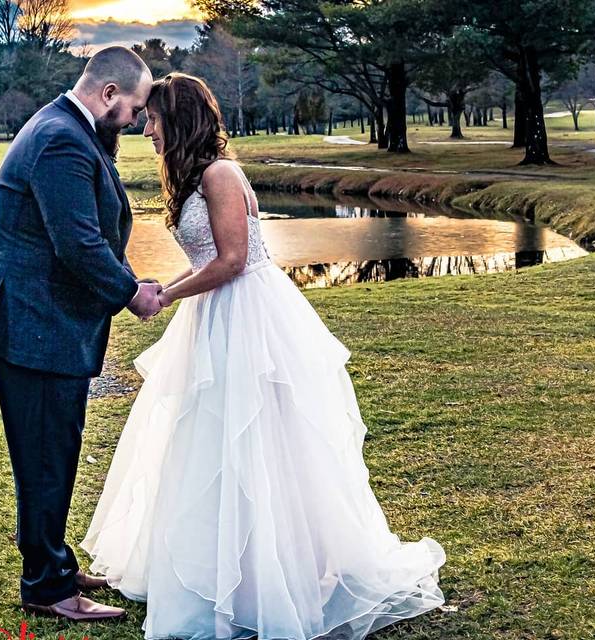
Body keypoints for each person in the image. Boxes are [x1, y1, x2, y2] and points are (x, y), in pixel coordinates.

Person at [80, 72, 447, 639]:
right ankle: (218, 563)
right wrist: (153, 290)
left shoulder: (222, 174)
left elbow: (231, 260)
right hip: (214, 316)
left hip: (247, 315)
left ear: (177, 122)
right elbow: (208, 257)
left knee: (254, 438)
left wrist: (168, 296)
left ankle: (267, 576)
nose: (145, 130)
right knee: (207, 437)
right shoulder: (196, 176)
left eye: (152, 120)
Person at [0, 46, 165, 622]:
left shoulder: (68, 129)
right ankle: (49, 590)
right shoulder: (60, 138)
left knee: (52, 452)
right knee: (46, 458)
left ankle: (53, 564)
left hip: (42, 323)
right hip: (35, 326)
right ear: (108, 93)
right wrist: (129, 293)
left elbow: (85, 233)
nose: (137, 121)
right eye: (133, 109)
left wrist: (126, 280)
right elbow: (76, 242)